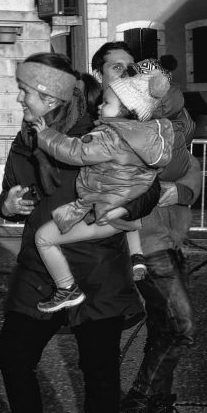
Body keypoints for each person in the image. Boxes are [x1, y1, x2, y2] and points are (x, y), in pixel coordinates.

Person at [0, 52, 160, 413]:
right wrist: (6, 205)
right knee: (13, 356)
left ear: (48, 97)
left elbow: (149, 185)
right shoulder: (27, 138)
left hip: (99, 268)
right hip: (40, 268)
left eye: (26, 90)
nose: (19, 97)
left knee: (99, 368)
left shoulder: (102, 129)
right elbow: (10, 196)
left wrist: (130, 206)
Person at [91, 42, 203, 413]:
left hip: (172, 238)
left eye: (130, 67)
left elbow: (188, 163)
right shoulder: (105, 124)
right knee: (180, 327)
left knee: (164, 331)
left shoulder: (153, 112)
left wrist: (183, 191)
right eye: (115, 68)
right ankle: (133, 411)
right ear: (98, 76)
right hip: (142, 244)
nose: (126, 74)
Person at [29, 68, 175, 314]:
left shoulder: (111, 137)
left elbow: (76, 151)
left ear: (127, 110)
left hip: (102, 211)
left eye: (106, 103)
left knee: (43, 238)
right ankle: (136, 255)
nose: (99, 107)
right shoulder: (147, 138)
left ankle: (67, 289)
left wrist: (45, 134)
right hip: (126, 211)